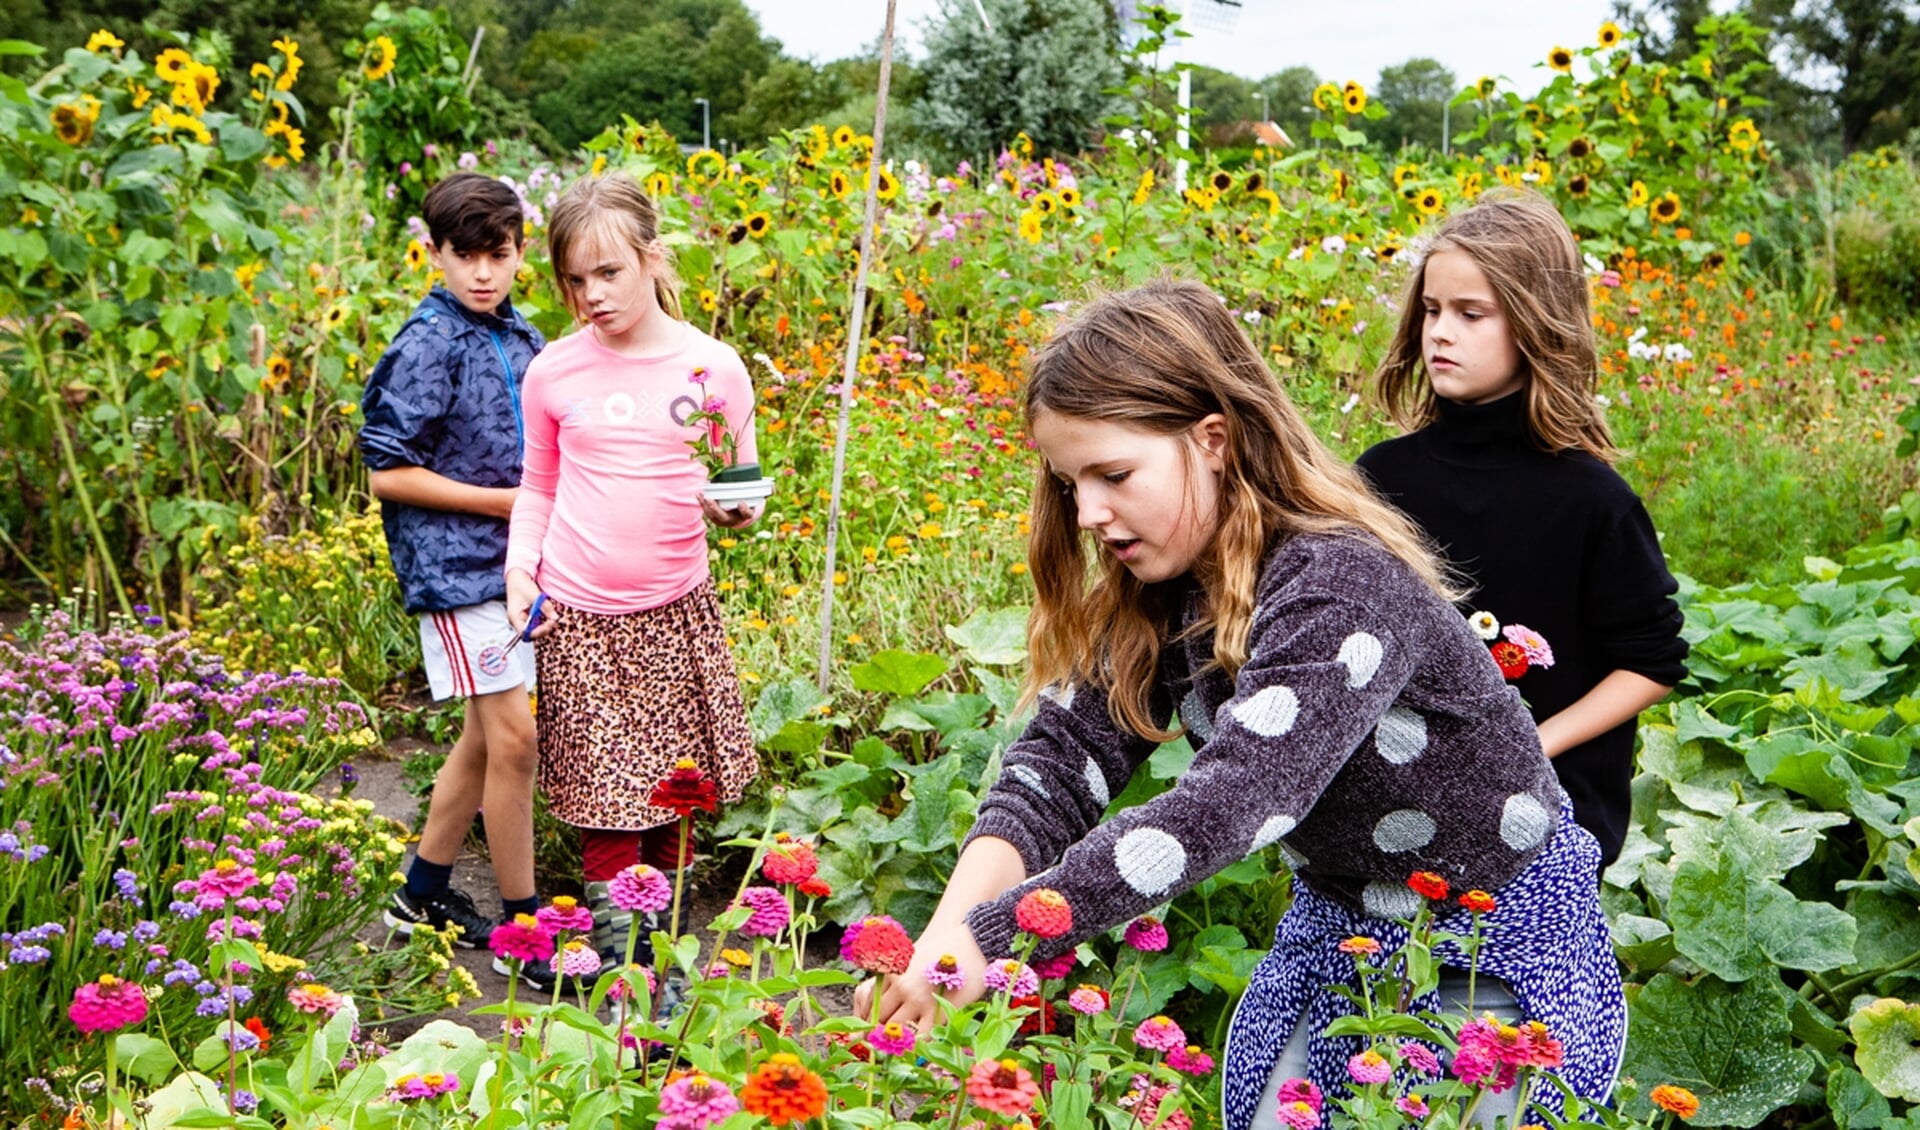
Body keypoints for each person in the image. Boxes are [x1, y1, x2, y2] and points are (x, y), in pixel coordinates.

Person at [853, 279, 1626, 1130]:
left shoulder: (1341, 584)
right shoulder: (1165, 589)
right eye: (1072, 483)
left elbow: (1227, 806)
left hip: (1492, 943)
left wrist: (993, 939)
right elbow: (1053, 771)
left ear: (1213, 439)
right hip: (1347, 928)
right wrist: (945, 939)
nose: (1088, 513)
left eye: (1113, 474)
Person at [1357, 189, 1688, 870]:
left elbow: (1652, 662)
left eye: (1471, 314)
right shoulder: (1380, 480)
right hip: (1401, 817)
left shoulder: (1592, 499)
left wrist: (1533, 742)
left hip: (1550, 817)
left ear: (1537, 326)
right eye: (1431, 310)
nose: (1440, 332)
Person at [504, 172, 762, 981]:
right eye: (574, 280)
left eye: (607, 273)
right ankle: (621, 975)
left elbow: (740, 480)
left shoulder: (713, 368)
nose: (591, 296)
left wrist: (737, 512)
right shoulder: (554, 371)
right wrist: (520, 572)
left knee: (674, 796)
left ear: (653, 260)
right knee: (605, 805)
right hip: (579, 618)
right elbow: (538, 485)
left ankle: (667, 959)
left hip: (675, 612)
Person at [361, 172, 545, 958]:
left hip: (518, 567)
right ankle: (528, 931)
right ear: (432, 252)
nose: (481, 273)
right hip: (454, 569)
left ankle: (420, 894)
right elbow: (385, 471)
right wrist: (505, 504)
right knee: (514, 744)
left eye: (496, 255)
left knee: (483, 738)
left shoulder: (524, 337)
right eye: (463, 255)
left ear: (518, 253)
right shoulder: (425, 343)